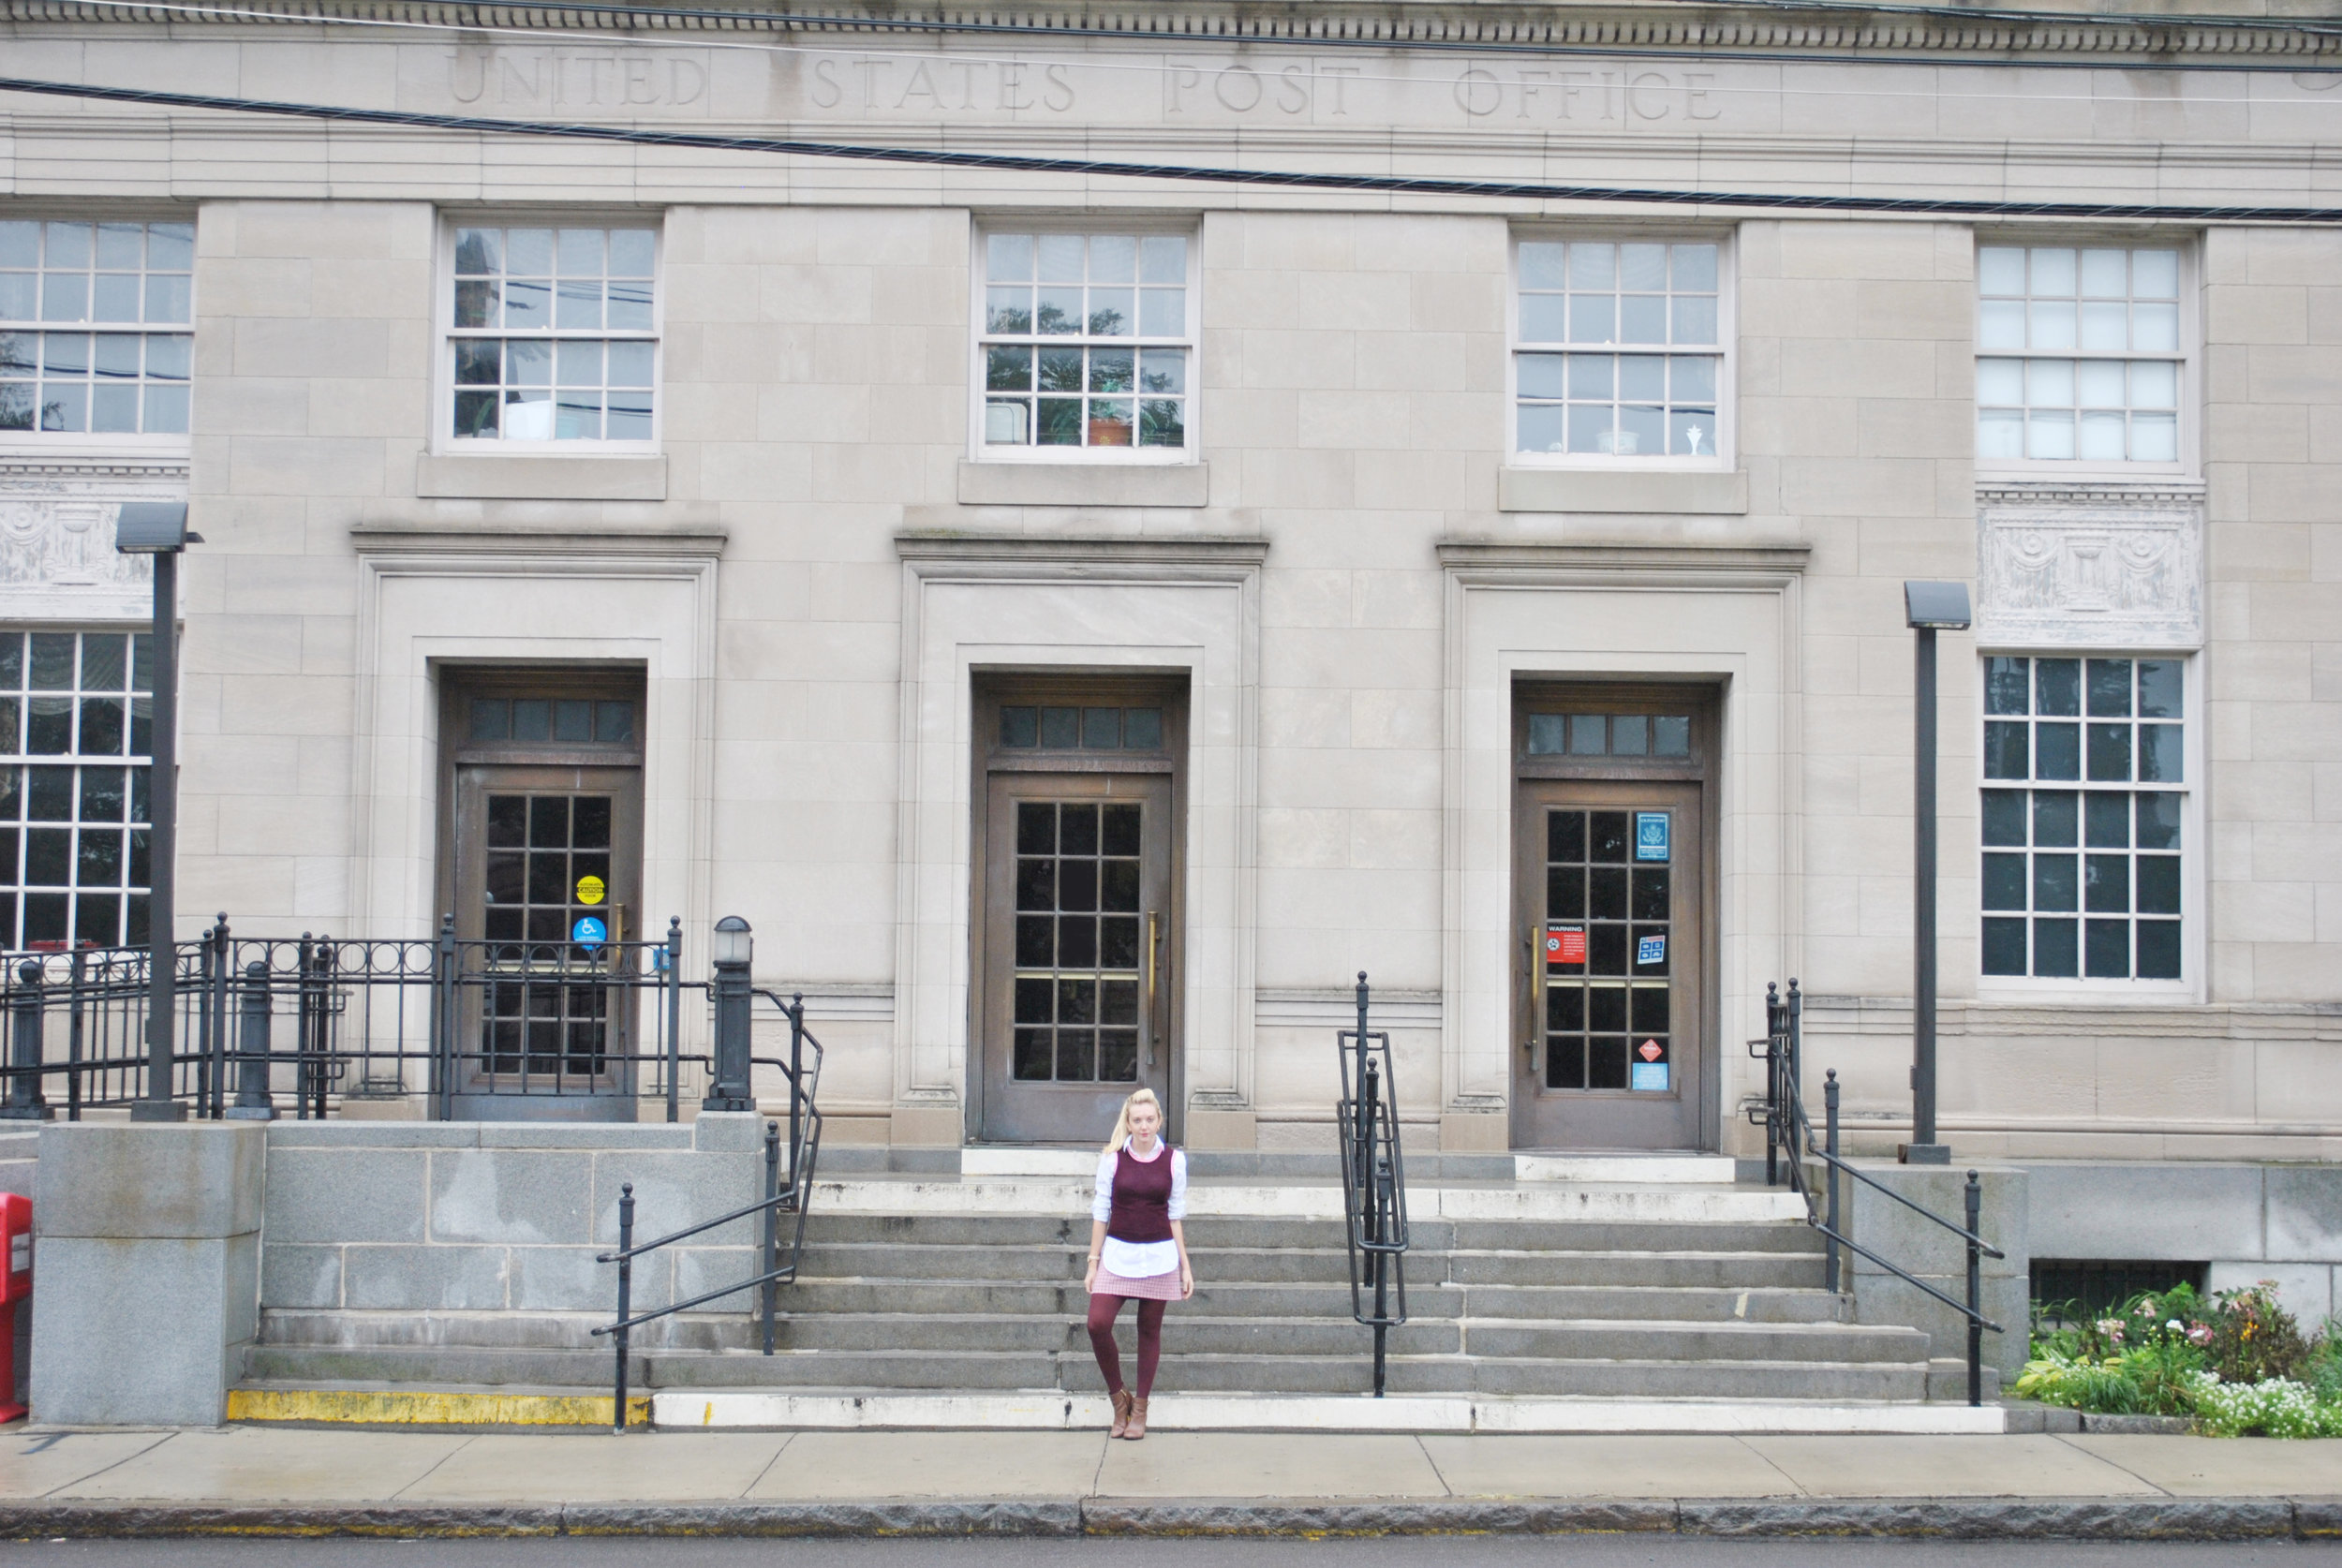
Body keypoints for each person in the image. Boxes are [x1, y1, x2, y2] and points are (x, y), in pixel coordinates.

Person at [1082, 1086, 1192, 1440]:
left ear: (1159, 1120)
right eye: (1137, 1120)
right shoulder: (1112, 1159)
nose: (1144, 1126)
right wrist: (1093, 1261)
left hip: (1160, 1257)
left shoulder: (1174, 1160)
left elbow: (1175, 1215)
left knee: (1149, 1330)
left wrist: (1185, 1267)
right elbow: (1101, 1211)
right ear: (1128, 1123)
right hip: (1118, 1254)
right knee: (1097, 1323)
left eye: (1150, 1119)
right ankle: (1119, 1400)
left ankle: (1140, 1408)